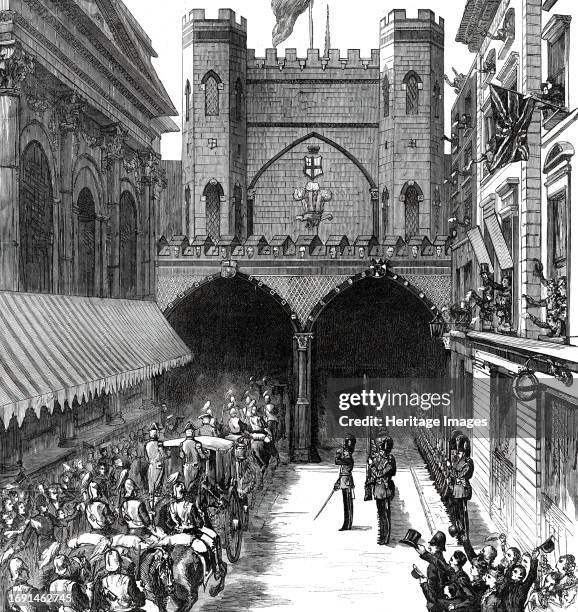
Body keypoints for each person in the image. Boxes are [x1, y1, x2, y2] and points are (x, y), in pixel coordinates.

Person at [366, 436, 396, 545]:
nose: (380, 451)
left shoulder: (389, 460)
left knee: (385, 514)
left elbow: (380, 473)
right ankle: (382, 535)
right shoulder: (380, 458)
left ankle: (385, 537)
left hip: (384, 489)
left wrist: (371, 465)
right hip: (379, 490)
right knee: (381, 514)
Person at [415, 532, 451, 611]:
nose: (429, 547)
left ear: (438, 547)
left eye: (432, 545)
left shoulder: (433, 566)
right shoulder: (440, 560)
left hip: (436, 605)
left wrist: (424, 583)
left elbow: (433, 594)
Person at [448, 436, 474, 542]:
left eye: (460, 452)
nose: (457, 454)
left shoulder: (467, 462)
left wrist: (452, 470)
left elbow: (461, 475)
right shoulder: (460, 461)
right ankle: (459, 533)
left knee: (462, 514)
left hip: (462, 490)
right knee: (456, 513)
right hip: (456, 489)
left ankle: (463, 535)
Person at [334, 435, 356, 531]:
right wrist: (338, 482)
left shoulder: (348, 457)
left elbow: (338, 461)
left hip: (346, 481)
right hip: (344, 480)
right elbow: (341, 469)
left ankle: (347, 524)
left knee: (348, 503)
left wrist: (338, 455)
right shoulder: (346, 454)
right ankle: (347, 523)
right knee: (346, 503)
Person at [180, 423, 209, 491]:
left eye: (191, 431)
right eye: (189, 431)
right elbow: (202, 456)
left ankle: (189, 497)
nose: (190, 432)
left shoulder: (182, 444)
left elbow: (181, 456)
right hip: (194, 466)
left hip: (187, 466)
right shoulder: (197, 444)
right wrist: (206, 455)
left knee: (188, 484)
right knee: (193, 484)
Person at [145, 423, 165, 510]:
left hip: (154, 465)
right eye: (153, 432)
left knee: (154, 484)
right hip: (155, 465)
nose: (153, 433)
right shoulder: (153, 444)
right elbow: (163, 456)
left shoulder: (152, 444)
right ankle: (153, 502)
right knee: (154, 484)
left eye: (154, 432)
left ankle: (153, 499)